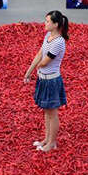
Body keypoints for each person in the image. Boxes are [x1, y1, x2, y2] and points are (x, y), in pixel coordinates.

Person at [24, 11, 69, 153]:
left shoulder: (59, 42)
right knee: (46, 111)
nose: (45, 23)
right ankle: (47, 139)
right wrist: (29, 71)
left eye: (48, 21)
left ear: (56, 24)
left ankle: (52, 142)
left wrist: (37, 67)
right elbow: (39, 54)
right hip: (43, 78)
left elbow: (45, 61)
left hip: (51, 80)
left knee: (52, 113)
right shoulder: (47, 37)